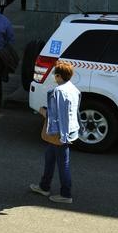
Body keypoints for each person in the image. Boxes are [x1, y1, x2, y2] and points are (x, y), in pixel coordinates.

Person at [30, 60, 81, 204]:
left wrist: (42, 111)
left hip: (59, 134)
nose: (54, 77)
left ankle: (66, 194)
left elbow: (57, 115)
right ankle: (44, 186)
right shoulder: (73, 88)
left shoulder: (58, 92)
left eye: (55, 75)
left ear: (59, 76)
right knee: (50, 158)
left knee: (63, 165)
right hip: (67, 131)